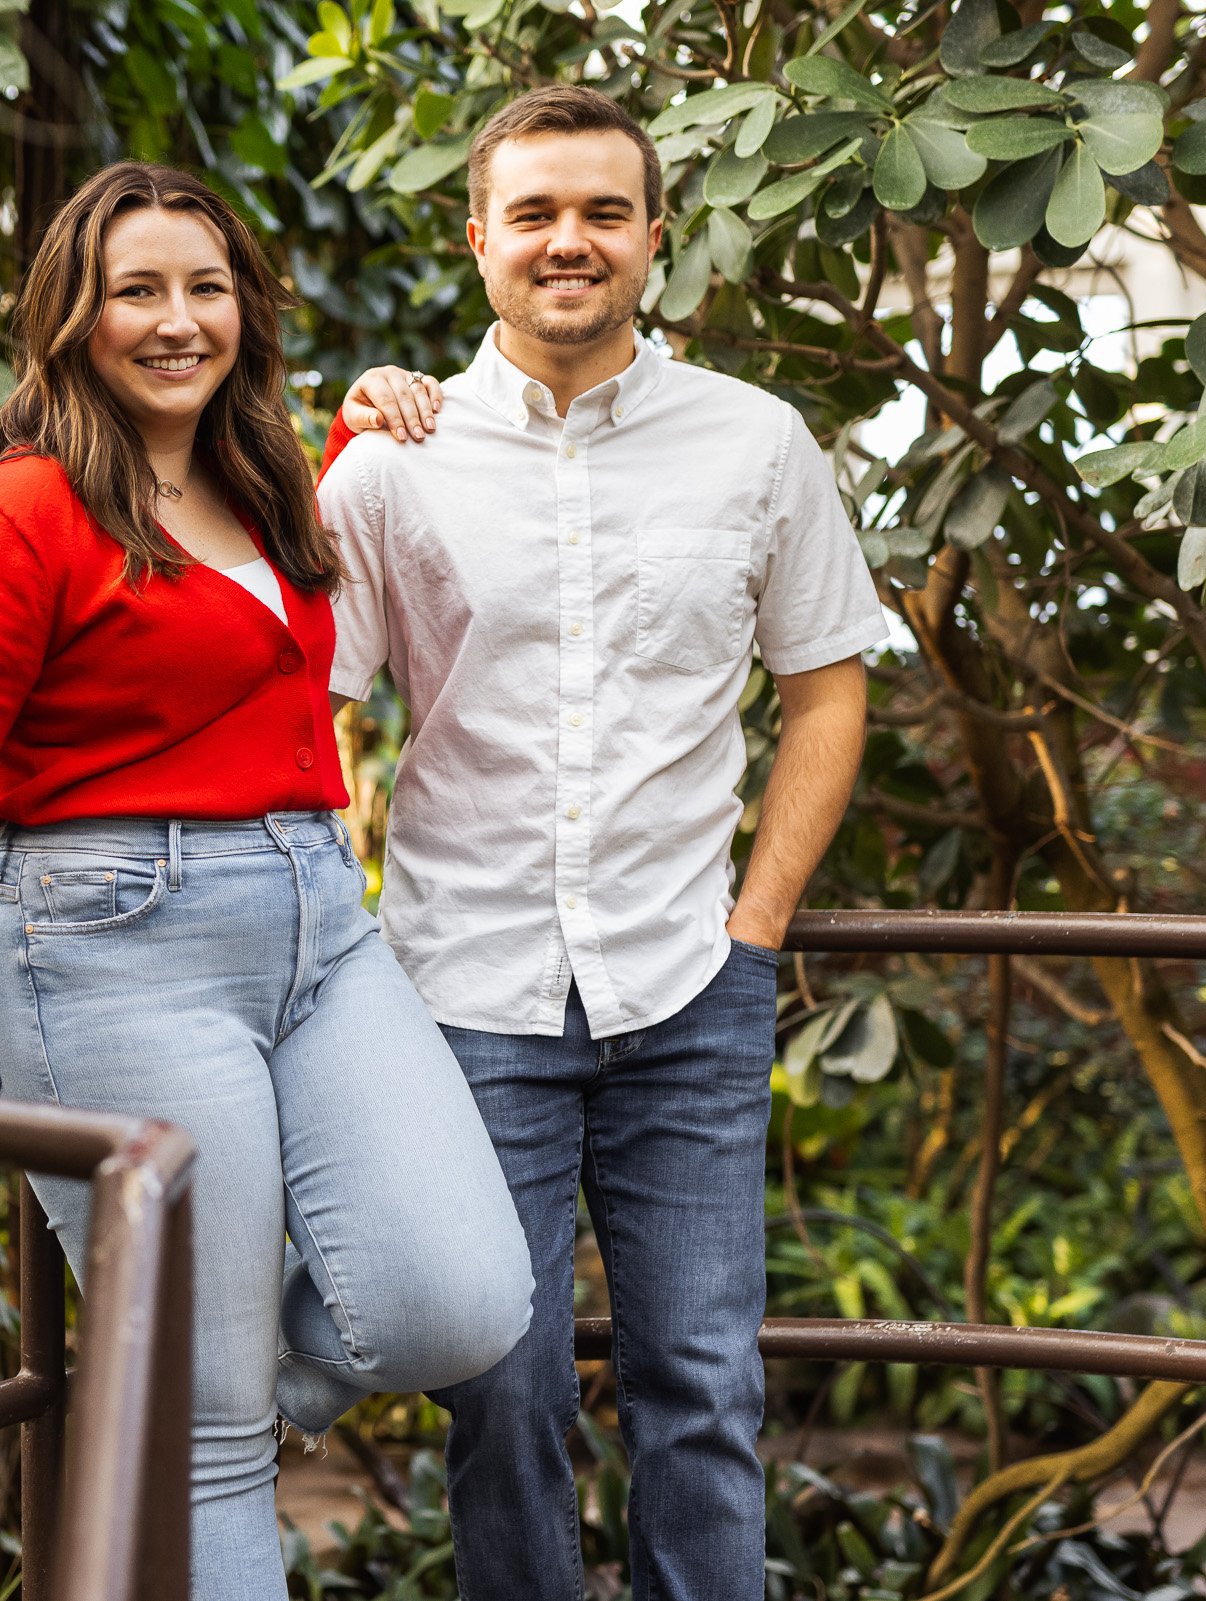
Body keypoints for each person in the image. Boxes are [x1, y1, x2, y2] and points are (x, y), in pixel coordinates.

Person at [0, 161, 535, 1601]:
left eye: (204, 288)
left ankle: (197, 1372)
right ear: (68, 319)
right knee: (204, 1442)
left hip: (320, 926)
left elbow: (259, 641)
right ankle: (192, 1402)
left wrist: (362, 416)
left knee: (460, 1300)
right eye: (134, 291)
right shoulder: (16, 517)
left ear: (244, 310)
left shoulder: (263, 474)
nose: (175, 321)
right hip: (115, 944)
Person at [317, 87, 883, 1601]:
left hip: (688, 987)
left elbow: (828, 687)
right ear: (480, 239)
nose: (570, 242)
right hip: (459, 993)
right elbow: (304, 704)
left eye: (603, 214)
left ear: (652, 239)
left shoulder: (757, 445)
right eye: (535, 214)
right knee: (496, 1387)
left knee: (702, 1382)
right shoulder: (389, 464)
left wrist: (755, 929)